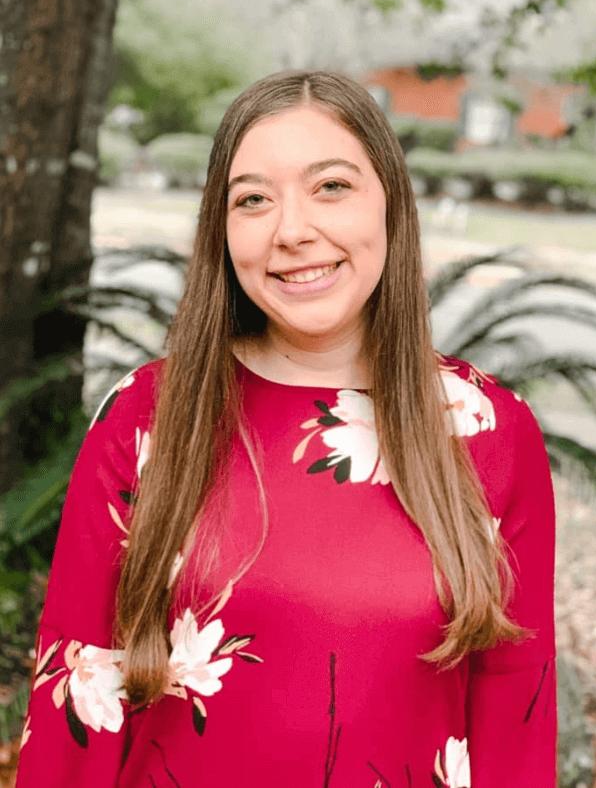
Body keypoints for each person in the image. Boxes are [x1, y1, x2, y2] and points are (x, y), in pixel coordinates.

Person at [16, 71, 556, 788]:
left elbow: (515, 718)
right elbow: (74, 712)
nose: (293, 230)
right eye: (253, 200)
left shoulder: (486, 430)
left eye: (330, 186)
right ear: (222, 229)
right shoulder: (147, 416)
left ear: (390, 202)